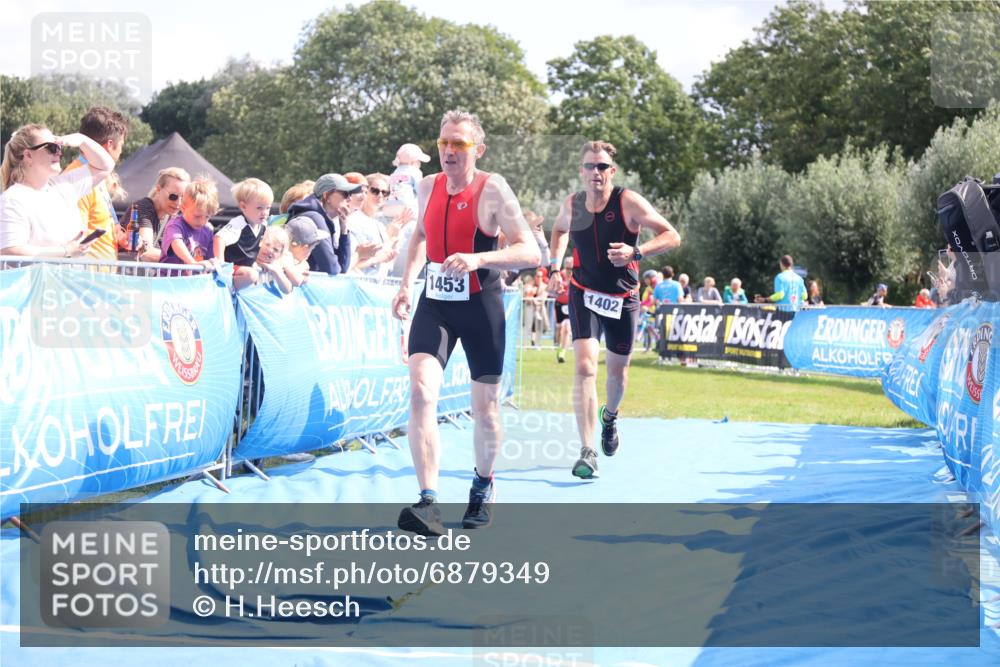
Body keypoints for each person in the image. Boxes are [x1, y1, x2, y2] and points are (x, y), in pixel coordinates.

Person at [391, 110, 540, 535]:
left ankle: (482, 483)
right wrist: (406, 283)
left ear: (478, 149)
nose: (450, 152)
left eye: (460, 144)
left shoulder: (494, 190)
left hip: (481, 304)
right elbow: (420, 235)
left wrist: (478, 258)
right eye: (444, 144)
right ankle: (428, 502)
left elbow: (530, 252)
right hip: (435, 301)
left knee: (485, 410)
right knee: (420, 392)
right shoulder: (425, 186)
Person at [548, 140, 681, 479]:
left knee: (618, 375)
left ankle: (610, 417)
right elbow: (560, 230)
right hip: (583, 292)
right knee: (585, 367)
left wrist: (637, 253)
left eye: (603, 166)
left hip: (623, 298)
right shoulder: (572, 204)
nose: (596, 172)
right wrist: (553, 268)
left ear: (612, 171)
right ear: (581, 171)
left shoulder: (629, 202)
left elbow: (672, 235)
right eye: (590, 166)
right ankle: (587, 449)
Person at [0, 123, 115, 258]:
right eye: (52, 147)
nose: (59, 152)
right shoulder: (12, 199)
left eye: (59, 146)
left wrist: (82, 140)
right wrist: (65, 251)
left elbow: (106, 166)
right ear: (28, 155)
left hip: (69, 278)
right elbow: (10, 251)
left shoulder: (64, 186)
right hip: (37, 279)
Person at [64, 106, 129, 262]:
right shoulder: (79, 179)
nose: (121, 152)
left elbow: (96, 225)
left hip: (100, 279)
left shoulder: (94, 176)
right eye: (121, 145)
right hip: (86, 281)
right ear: (109, 145)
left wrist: (118, 238)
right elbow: (76, 237)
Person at [285, 174, 359, 275]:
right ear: (326, 195)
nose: (350, 199)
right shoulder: (315, 218)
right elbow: (332, 269)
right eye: (345, 194)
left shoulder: (319, 217)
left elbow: (342, 267)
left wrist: (344, 229)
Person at [214, 178, 274, 290]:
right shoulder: (239, 223)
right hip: (233, 269)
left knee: (263, 275)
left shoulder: (264, 227)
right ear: (243, 206)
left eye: (268, 208)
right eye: (259, 208)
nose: (265, 212)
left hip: (246, 270)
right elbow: (219, 238)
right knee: (251, 275)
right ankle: (227, 292)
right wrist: (221, 267)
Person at [123, 167, 190, 262]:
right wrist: (188, 260)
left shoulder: (172, 217)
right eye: (173, 196)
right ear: (158, 189)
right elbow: (146, 252)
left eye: (183, 198)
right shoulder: (143, 207)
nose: (178, 203)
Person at [160, 177, 220, 269]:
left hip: (194, 281)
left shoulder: (207, 230)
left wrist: (214, 263)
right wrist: (193, 263)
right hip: (169, 280)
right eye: (197, 216)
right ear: (183, 208)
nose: (202, 221)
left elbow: (211, 257)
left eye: (207, 217)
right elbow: (176, 243)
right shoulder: (175, 225)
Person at [284, 216, 329, 286]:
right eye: (312, 249)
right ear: (304, 248)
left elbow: (305, 272)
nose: (310, 253)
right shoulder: (282, 260)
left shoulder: (302, 263)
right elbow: (297, 281)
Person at [553, 257, 574, 363]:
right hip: (559, 305)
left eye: (571, 268)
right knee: (559, 329)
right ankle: (558, 345)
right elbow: (550, 288)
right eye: (568, 268)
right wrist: (557, 289)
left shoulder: (577, 276)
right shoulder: (560, 275)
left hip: (571, 305)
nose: (570, 270)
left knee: (567, 328)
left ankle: (562, 352)